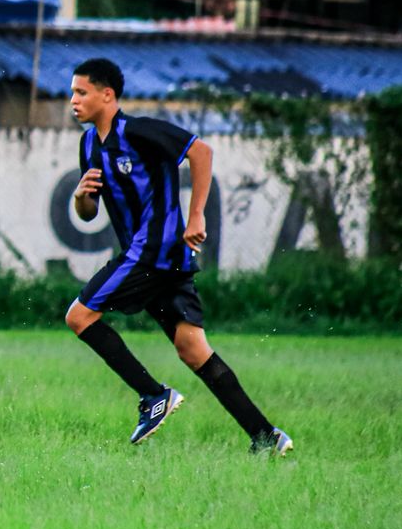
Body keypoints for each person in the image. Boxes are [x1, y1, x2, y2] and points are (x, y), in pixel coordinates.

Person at [65, 57, 293, 455]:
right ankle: (265, 437)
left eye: (82, 92)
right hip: (161, 258)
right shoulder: (89, 146)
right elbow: (88, 213)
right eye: (72, 93)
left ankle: (153, 395)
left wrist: (196, 214)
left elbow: (200, 151)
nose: (74, 100)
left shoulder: (139, 131)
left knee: (79, 316)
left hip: (153, 251)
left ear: (107, 95)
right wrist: (81, 196)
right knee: (193, 350)